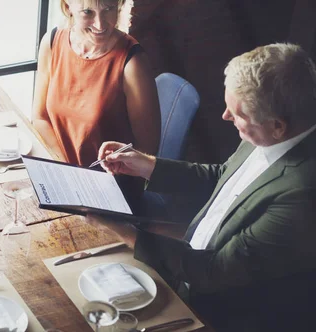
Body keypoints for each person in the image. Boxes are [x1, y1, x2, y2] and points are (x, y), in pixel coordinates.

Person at [85, 43, 316, 331]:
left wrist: (124, 231)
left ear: (277, 126)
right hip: (187, 257)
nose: (225, 116)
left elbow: (215, 271)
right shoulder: (268, 131)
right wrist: (145, 164)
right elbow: (222, 177)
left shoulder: (303, 195)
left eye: (237, 113)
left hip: (219, 309)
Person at [32, 0, 160, 209]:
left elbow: (148, 150)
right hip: (63, 177)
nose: (101, 25)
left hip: (111, 193)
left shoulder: (132, 62)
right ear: (68, 7)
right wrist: (67, 171)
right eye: (88, 12)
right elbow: (40, 118)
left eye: (109, 9)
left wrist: (85, 182)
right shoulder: (53, 41)